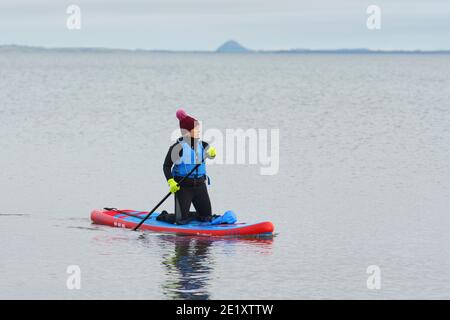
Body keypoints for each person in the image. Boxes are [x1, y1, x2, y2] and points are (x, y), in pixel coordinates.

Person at [157, 109, 216, 225]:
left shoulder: (203, 145)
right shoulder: (177, 148)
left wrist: (213, 154)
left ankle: (192, 215)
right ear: (187, 132)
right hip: (183, 187)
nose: (199, 131)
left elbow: (211, 154)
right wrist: (171, 182)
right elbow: (166, 166)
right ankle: (164, 216)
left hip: (200, 186)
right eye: (196, 129)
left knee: (207, 217)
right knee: (181, 221)